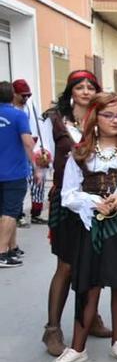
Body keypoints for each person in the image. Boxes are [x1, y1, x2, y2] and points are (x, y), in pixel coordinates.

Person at [46, 92, 117, 362]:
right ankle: (77, 348)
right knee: (89, 283)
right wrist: (94, 201)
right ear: (95, 117)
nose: (114, 120)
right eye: (108, 115)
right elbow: (69, 194)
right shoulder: (81, 151)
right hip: (93, 224)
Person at [39, 70, 113, 355]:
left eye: (90, 86)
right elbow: (42, 153)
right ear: (70, 91)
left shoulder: (102, 120)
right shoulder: (54, 120)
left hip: (96, 200)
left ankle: (89, 318)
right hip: (67, 201)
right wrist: (41, 159)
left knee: (92, 262)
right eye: (79, 87)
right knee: (66, 265)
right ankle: (52, 330)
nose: (85, 91)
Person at [0, 81, 35, 267]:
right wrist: (36, 165)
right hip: (14, 172)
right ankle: (2, 252)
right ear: (12, 95)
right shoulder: (18, 115)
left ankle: (11, 247)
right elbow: (28, 143)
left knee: (5, 212)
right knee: (11, 212)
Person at [12, 79, 50, 225]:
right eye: (23, 95)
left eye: (28, 95)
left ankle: (36, 213)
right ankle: (18, 214)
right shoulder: (10, 110)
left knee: (39, 182)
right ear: (14, 94)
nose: (26, 98)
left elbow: (37, 128)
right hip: (17, 152)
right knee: (20, 185)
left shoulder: (30, 107)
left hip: (33, 147)